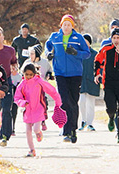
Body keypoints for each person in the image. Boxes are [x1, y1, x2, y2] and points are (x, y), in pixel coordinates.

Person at [45, 14, 90, 143]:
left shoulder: (78, 38)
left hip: (75, 74)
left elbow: (87, 53)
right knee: (64, 101)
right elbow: (47, 46)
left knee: (73, 102)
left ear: (72, 26)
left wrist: (76, 53)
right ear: (61, 25)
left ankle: (73, 130)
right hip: (60, 73)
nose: (66, 27)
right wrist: (49, 54)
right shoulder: (55, 37)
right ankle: (66, 130)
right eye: (64, 24)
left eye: (69, 24)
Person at [94, 28, 119, 143]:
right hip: (109, 84)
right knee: (111, 107)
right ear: (111, 39)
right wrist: (97, 74)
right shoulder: (106, 49)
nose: (116, 40)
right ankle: (111, 117)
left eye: (118, 38)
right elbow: (97, 60)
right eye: (114, 38)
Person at [14, 64, 62, 157]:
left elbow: (51, 90)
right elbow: (17, 97)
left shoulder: (39, 81)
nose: (28, 76)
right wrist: (23, 103)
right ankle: (31, 150)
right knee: (28, 131)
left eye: (30, 74)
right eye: (26, 74)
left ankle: (38, 133)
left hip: (39, 109)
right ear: (23, 74)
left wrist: (58, 102)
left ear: (34, 74)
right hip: (27, 110)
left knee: (36, 128)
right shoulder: (22, 84)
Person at [0, 26, 17, 147]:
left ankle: (5, 136)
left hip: (7, 82)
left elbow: (14, 62)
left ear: (3, 36)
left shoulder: (10, 50)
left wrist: (15, 68)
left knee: (7, 109)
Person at [21, 44, 54, 131]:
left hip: (41, 88)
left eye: (32, 53)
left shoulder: (44, 62)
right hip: (29, 89)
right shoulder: (27, 63)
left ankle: (42, 121)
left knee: (43, 103)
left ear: (37, 54)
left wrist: (49, 75)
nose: (30, 56)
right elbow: (22, 73)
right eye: (30, 53)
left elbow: (50, 72)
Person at [78, 34, 100, 131]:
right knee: (81, 101)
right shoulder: (78, 53)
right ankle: (83, 120)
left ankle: (90, 123)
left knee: (91, 103)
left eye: (86, 40)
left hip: (92, 81)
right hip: (81, 81)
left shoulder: (95, 54)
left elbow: (99, 67)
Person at [10, 64, 23, 136]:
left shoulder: (19, 77)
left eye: (15, 68)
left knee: (14, 112)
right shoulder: (8, 76)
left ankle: (13, 128)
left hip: (16, 97)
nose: (13, 69)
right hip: (9, 96)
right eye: (12, 68)